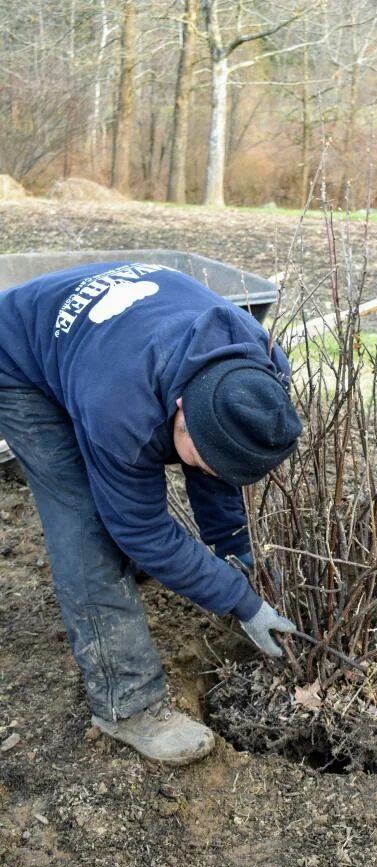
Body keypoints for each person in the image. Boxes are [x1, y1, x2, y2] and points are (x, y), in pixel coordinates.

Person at [0, 261, 302, 764]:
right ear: (180, 405)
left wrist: (238, 558)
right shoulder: (124, 409)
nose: (209, 469)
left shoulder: (261, 372)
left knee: (142, 490)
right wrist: (240, 602)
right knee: (87, 524)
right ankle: (126, 704)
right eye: (200, 455)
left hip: (107, 344)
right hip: (19, 357)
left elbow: (219, 467)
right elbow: (142, 529)